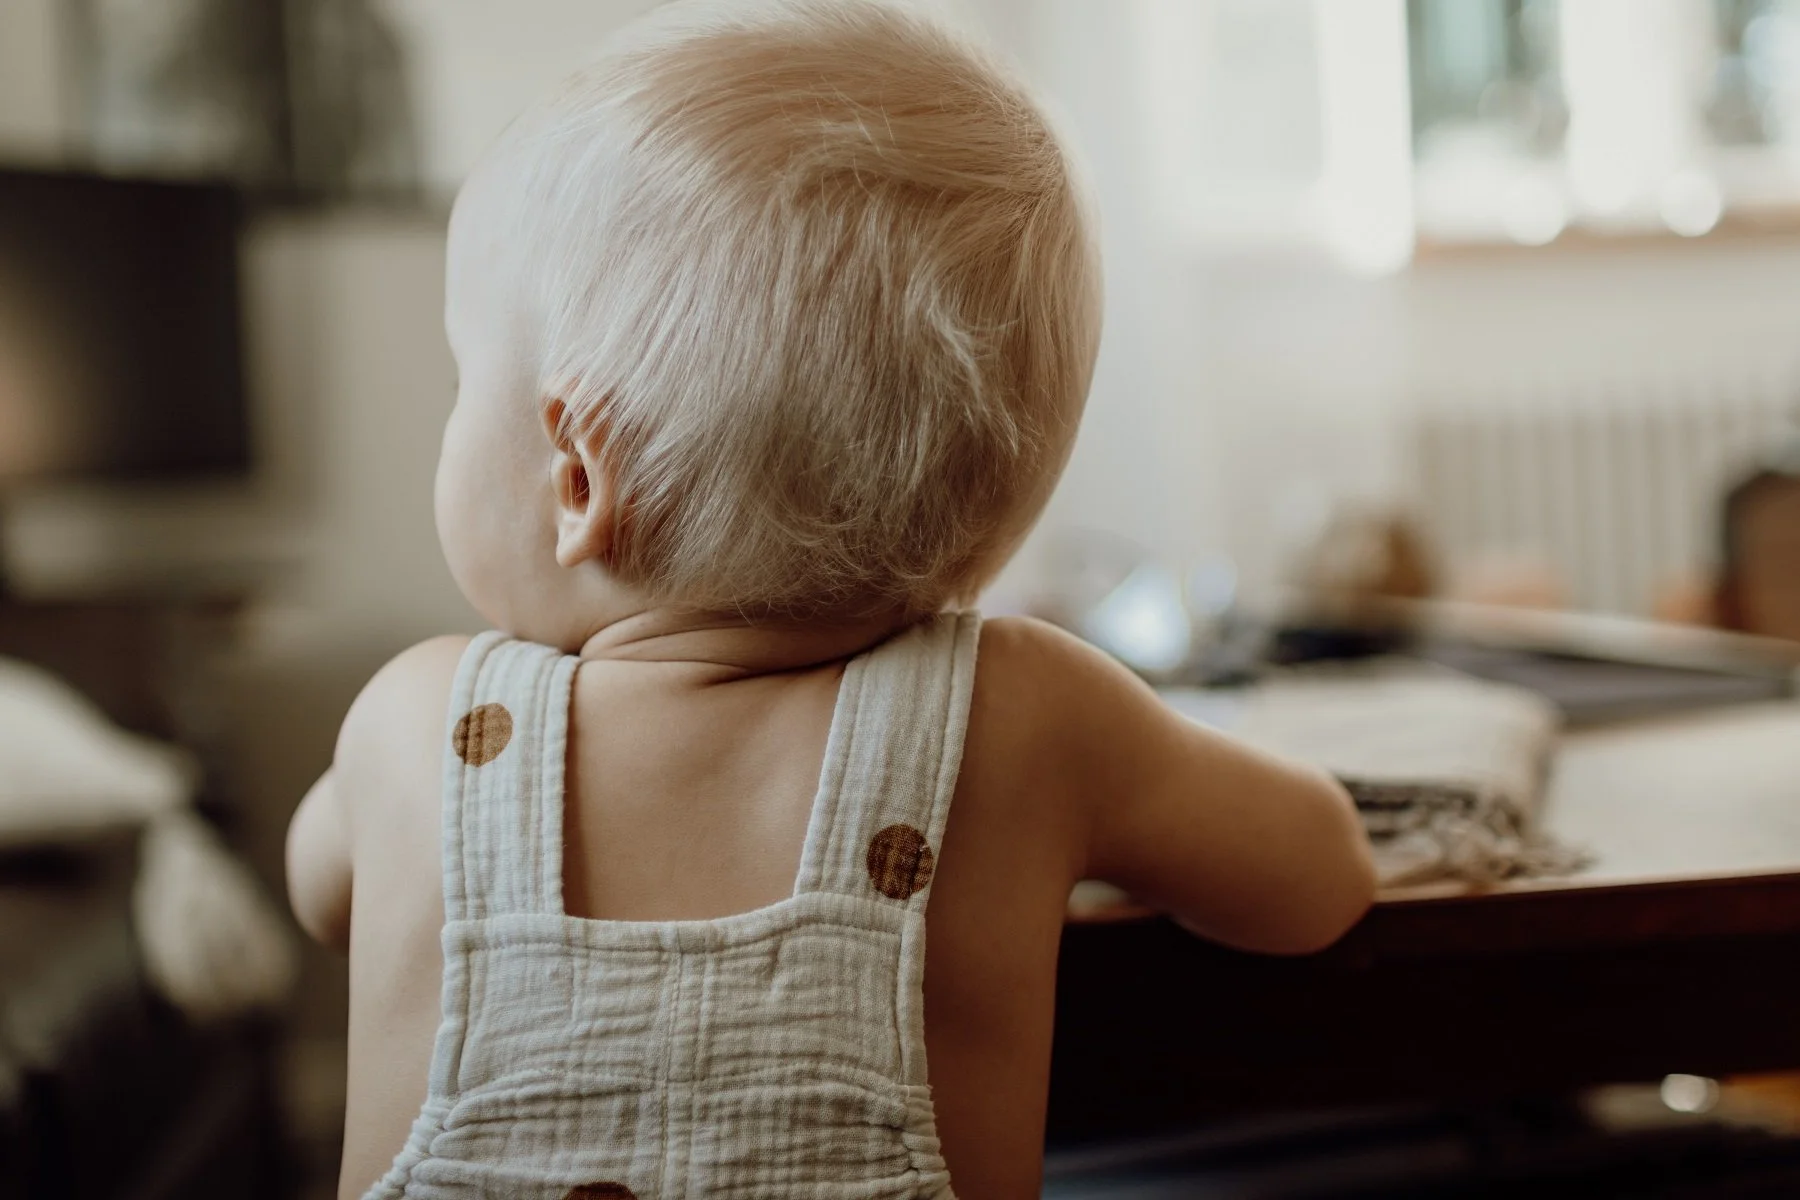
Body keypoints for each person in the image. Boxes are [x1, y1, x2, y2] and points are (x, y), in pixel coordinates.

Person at [285, 2, 1376, 1196]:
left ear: (578, 476)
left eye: (460, 381)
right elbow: (1317, 882)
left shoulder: (414, 723)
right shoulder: (1030, 717)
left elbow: (320, 890)